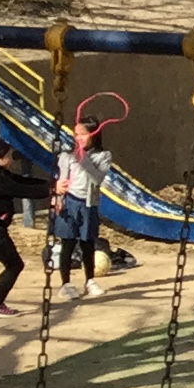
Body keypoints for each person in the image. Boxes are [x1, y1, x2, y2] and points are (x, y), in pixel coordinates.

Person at [0, 139, 55, 315]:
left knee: (13, 265)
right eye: (8, 156)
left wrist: (50, 185)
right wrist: (50, 190)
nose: (11, 159)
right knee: (14, 265)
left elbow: (20, 181)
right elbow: (20, 189)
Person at [50, 121, 114, 299]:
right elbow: (62, 180)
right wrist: (57, 198)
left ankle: (90, 281)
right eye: (76, 134)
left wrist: (82, 158)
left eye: (83, 134)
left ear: (94, 134)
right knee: (68, 243)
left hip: (88, 204)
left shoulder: (104, 156)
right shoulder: (66, 155)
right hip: (69, 202)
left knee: (87, 244)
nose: (78, 138)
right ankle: (66, 284)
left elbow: (97, 178)